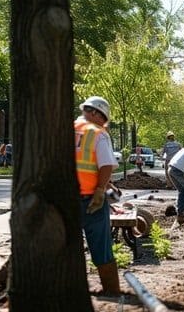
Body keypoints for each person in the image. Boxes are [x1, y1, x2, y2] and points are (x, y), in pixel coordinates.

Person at [74, 96, 120, 295]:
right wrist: (102, 190)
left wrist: (108, 183)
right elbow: (106, 164)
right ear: (94, 113)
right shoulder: (97, 133)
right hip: (91, 199)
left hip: (65, 200)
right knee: (102, 248)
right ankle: (112, 291)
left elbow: (85, 164)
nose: (104, 124)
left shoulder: (64, 128)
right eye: (104, 119)